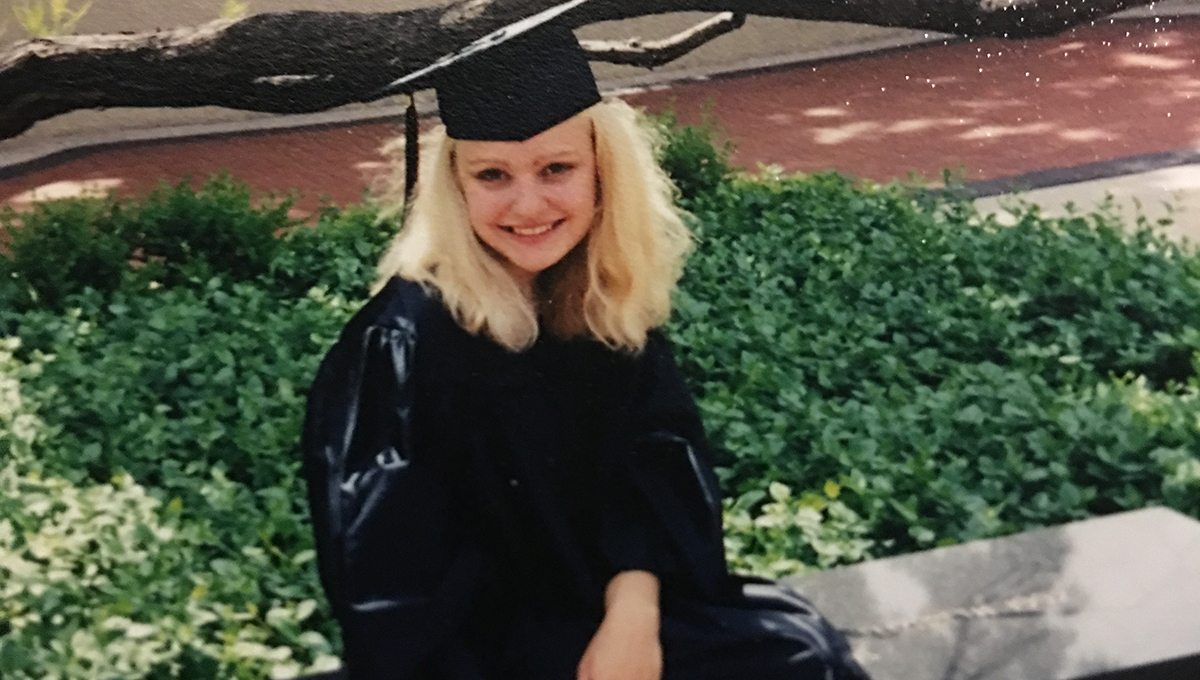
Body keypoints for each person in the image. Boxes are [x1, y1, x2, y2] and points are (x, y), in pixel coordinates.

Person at [301, 24, 871, 680]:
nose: (528, 203)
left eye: (557, 168)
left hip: (593, 610)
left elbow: (655, 465)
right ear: (454, 187)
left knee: (796, 649)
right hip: (481, 655)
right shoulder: (403, 345)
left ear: (603, 169)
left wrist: (634, 613)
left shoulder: (590, 300)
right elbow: (396, 595)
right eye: (492, 174)